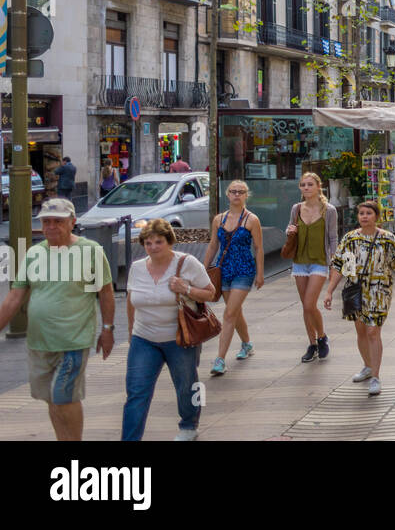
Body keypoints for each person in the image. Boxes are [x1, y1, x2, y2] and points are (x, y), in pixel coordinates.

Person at [0, 199, 114, 441]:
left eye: (58, 221)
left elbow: (105, 292)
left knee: (64, 395)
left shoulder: (90, 251)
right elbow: (15, 296)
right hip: (39, 342)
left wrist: (107, 329)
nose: (51, 226)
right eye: (46, 221)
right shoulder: (33, 253)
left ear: (72, 222)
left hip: (73, 339)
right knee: (52, 398)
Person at [122, 218, 218, 441]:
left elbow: (211, 293)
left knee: (189, 385)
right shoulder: (137, 268)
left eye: (158, 242)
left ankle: (189, 425)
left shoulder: (188, 263)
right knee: (136, 392)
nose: (153, 247)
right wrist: (130, 330)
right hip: (144, 338)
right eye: (148, 243)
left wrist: (186, 288)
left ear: (169, 242)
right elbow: (130, 299)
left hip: (180, 338)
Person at [326, 199, 395, 397]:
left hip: (380, 290)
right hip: (356, 289)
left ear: (377, 217)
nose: (364, 216)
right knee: (361, 331)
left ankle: (376, 376)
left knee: (373, 331)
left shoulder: (388, 239)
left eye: (368, 213)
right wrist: (329, 290)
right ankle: (367, 366)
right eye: (361, 213)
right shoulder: (350, 239)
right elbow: (340, 266)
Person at [201, 180, 264, 376]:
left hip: (244, 269)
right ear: (227, 195)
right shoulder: (218, 219)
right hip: (224, 269)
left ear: (246, 195)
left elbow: (259, 247)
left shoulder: (252, 220)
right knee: (234, 312)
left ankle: (220, 359)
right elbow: (213, 245)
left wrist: (260, 273)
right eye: (233, 192)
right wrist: (202, 270)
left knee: (229, 314)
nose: (237, 195)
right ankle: (246, 344)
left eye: (241, 192)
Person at [285, 172, 338, 363]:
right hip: (299, 261)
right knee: (305, 307)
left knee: (309, 304)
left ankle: (322, 336)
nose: (306, 188)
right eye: (303, 185)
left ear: (318, 187)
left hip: (319, 261)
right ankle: (312, 344)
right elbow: (291, 228)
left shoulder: (329, 210)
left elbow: (333, 237)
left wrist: (334, 260)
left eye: (309, 184)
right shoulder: (296, 208)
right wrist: (289, 230)